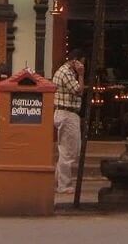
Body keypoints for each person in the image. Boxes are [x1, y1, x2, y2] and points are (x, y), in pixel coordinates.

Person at [52, 48, 85, 194]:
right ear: (75, 61)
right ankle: (64, 185)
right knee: (69, 151)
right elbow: (78, 90)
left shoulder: (64, 71)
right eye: (82, 62)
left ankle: (58, 181)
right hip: (67, 113)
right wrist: (81, 75)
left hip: (64, 113)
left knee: (66, 150)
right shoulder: (67, 72)